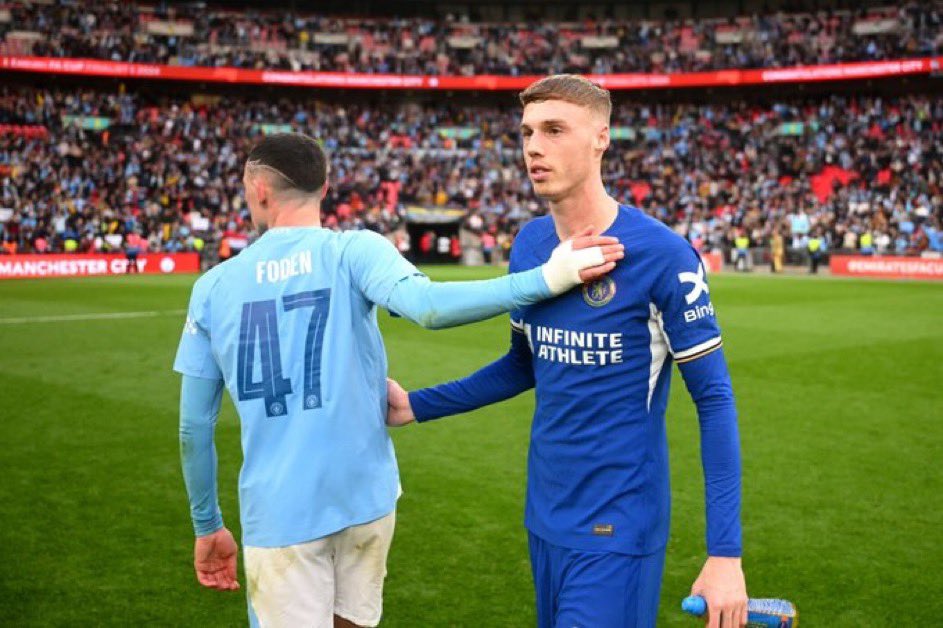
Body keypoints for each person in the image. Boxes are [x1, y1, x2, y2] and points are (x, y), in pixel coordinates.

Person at [172, 132, 622, 628]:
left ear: (258, 189)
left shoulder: (212, 288)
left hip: (281, 511)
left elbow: (195, 427)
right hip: (367, 497)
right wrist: (548, 278)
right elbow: (428, 306)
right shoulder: (353, 250)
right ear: (324, 188)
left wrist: (207, 524)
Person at [386, 75, 748, 628]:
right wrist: (417, 405)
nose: (534, 146)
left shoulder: (663, 255)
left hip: (619, 525)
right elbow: (521, 365)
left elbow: (715, 400)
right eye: (528, 131)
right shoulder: (530, 245)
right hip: (546, 517)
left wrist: (725, 554)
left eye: (555, 130)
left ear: (601, 138)